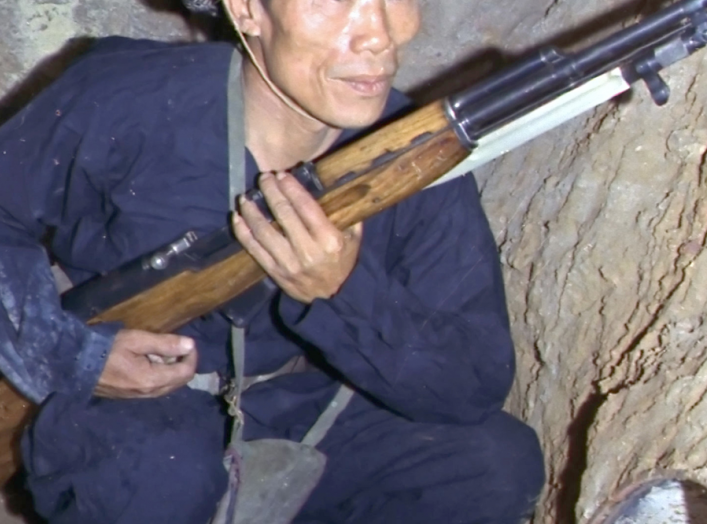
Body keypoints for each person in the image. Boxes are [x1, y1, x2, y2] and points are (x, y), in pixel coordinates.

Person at [0, 0, 545, 522]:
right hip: (139, 411)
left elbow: (472, 381)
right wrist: (75, 355)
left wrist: (344, 293)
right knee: (157, 475)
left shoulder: (410, 155)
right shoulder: (130, 96)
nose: (379, 34)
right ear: (246, 9)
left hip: (307, 405)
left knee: (492, 465)